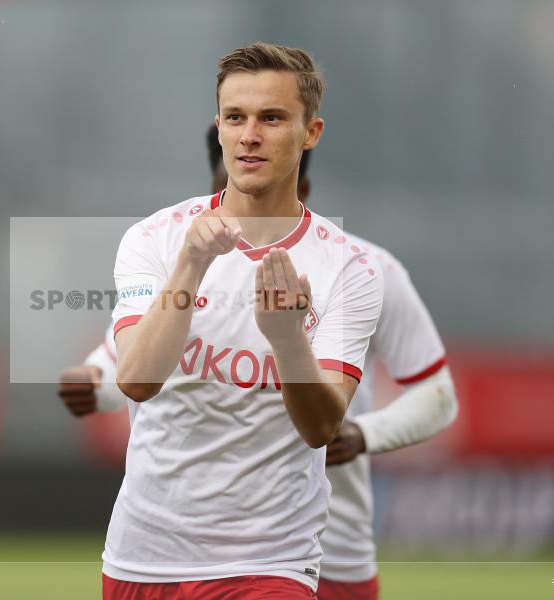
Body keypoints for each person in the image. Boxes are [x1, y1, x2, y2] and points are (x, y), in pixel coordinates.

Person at [61, 113, 457, 598]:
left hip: (321, 551)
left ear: (300, 187)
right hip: (168, 551)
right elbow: (123, 365)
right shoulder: (174, 250)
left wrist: (361, 433)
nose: (228, 218)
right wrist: (92, 386)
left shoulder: (364, 271)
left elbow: (438, 396)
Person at [100, 42, 384, 599]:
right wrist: (192, 264)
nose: (250, 135)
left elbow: (321, 427)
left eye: (272, 118)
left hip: (269, 561)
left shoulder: (348, 267)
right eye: (236, 117)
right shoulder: (155, 240)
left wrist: (286, 339)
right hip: (142, 556)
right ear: (220, 127)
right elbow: (136, 380)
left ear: (311, 133)